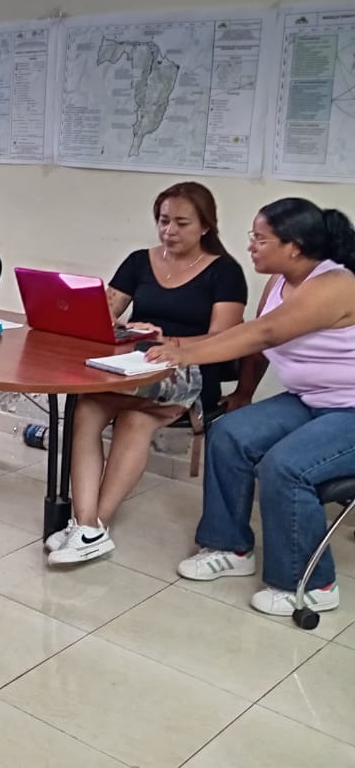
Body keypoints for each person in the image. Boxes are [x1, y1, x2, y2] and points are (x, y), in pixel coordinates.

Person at [144, 199, 355, 616]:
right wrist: (243, 393)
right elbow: (257, 340)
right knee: (229, 433)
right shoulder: (280, 280)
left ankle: (312, 584)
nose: (251, 246)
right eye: (252, 237)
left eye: (261, 239)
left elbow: (265, 333)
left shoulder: (336, 283)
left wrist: (184, 354)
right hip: (310, 400)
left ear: (294, 246)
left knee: (286, 466)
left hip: (349, 410)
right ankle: (230, 547)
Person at [47, 182, 247, 566]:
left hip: (191, 369)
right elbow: (105, 314)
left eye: (182, 223)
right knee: (86, 407)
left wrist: (168, 340)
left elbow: (224, 339)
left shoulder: (224, 272)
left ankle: (91, 526)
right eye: (163, 221)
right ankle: (87, 525)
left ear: (206, 226)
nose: (169, 231)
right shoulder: (139, 261)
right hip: (135, 366)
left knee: (133, 418)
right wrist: (123, 327)